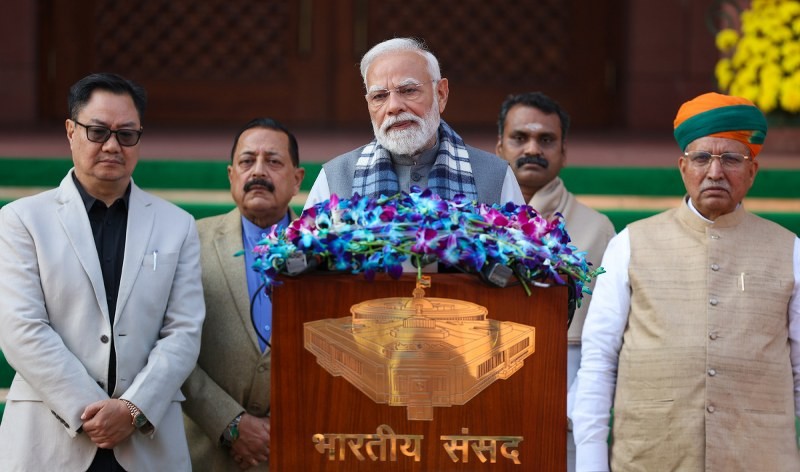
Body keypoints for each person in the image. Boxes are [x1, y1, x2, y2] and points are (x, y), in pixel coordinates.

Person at [572, 92, 800, 471]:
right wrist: (591, 463)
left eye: (730, 159)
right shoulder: (629, 243)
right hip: (651, 458)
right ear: (683, 167)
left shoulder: (789, 250)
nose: (715, 172)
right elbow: (598, 361)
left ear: (752, 171)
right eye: (701, 159)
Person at [0, 72, 205, 471]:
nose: (112, 145)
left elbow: (184, 331)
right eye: (98, 131)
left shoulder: (176, 224)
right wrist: (91, 411)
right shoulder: (22, 220)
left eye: (126, 134)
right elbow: (21, 327)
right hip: (50, 436)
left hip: (147, 438)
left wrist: (131, 409)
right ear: (70, 131)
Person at [495, 91, 615, 471]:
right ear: (499, 147)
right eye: (520, 138)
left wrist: (574, 403)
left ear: (564, 152)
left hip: (563, 408)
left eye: (546, 140)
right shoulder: (470, 224)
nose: (532, 149)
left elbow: (606, 339)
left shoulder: (597, 229)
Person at [182, 118, 304, 471]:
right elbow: (166, 344)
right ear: (231, 175)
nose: (259, 171)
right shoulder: (189, 241)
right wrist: (230, 422)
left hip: (296, 448)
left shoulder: (328, 250)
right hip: (205, 449)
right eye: (247, 161)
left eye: (274, 161)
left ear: (297, 178)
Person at [304, 37, 524, 209]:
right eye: (379, 96)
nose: (393, 107)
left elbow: (519, 260)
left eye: (408, 90)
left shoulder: (495, 175)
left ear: (441, 94)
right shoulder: (335, 177)